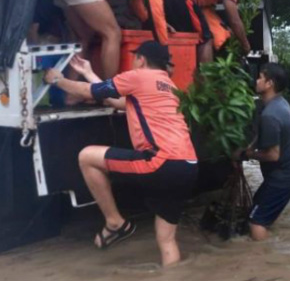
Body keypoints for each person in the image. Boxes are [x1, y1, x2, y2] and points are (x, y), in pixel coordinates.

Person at [43, 41, 198, 267]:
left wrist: (57, 80)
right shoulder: (168, 86)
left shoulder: (138, 76)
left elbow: (90, 92)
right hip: (188, 165)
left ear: (141, 60)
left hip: (160, 161)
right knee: (166, 240)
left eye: (135, 57)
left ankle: (115, 222)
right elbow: (117, 100)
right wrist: (88, 72)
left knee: (86, 156)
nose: (133, 61)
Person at [53, 0, 191, 78]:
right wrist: (165, 55)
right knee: (112, 34)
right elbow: (157, 14)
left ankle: (71, 97)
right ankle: (109, 92)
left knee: (83, 37)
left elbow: (136, 5)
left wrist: (155, 22)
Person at [238, 63, 290, 240]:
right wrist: (250, 147)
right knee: (257, 204)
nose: (256, 80)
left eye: (260, 77)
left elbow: (272, 155)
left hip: (286, 173)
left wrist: (247, 155)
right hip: (289, 170)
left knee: (256, 221)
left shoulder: (271, 113)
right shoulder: (279, 102)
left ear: (269, 83)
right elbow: (262, 134)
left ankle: (263, 262)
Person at [186, 0, 254, 63]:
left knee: (212, 28)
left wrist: (226, 29)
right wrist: (246, 46)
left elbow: (206, 8)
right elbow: (235, 21)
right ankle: (205, 74)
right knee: (206, 38)